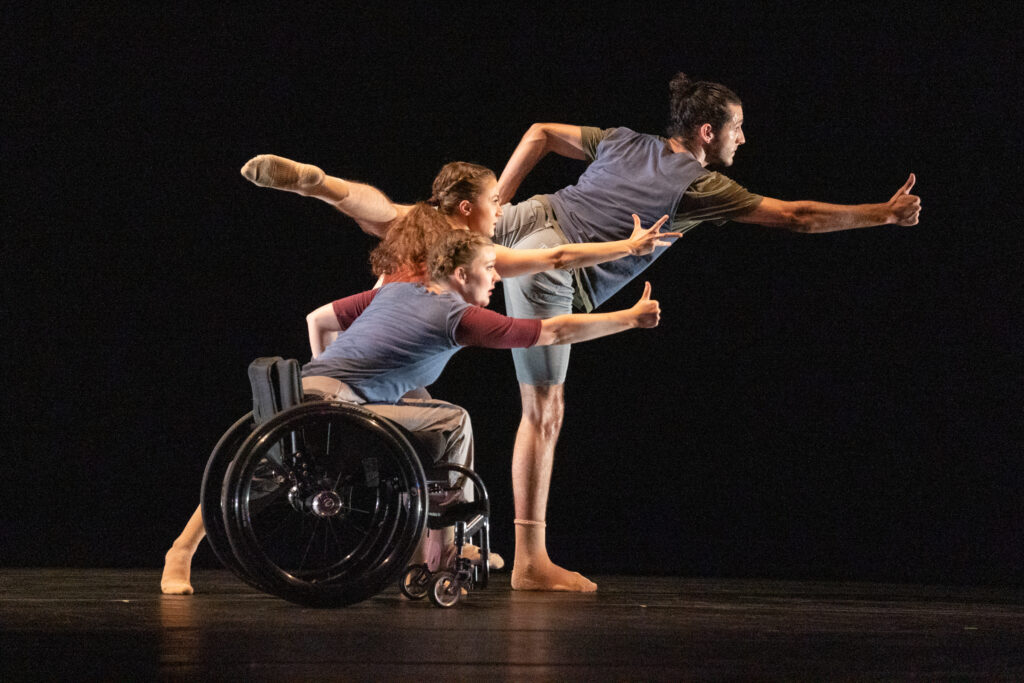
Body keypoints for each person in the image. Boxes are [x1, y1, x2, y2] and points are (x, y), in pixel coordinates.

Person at [228, 71, 922, 593]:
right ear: (707, 133)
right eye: (738, 128)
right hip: (557, 265)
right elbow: (797, 216)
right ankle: (530, 558)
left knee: (412, 221)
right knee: (545, 408)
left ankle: (323, 185)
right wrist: (880, 216)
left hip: (531, 213)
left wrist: (497, 202)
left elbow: (540, 133)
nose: (745, 138)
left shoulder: (623, 141)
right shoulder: (702, 187)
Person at [161, 159, 674, 594]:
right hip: (358, 387)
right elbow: (554, 283)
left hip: (330, 378)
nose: (501, 210)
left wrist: (327, 378)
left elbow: (319, 317)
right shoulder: (462, 284)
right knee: (453, 425)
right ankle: (442, 555)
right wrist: (628, 288)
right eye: (496, 201)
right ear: (467, 218)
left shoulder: (412, 259)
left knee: (258, 470)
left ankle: (183, 551)